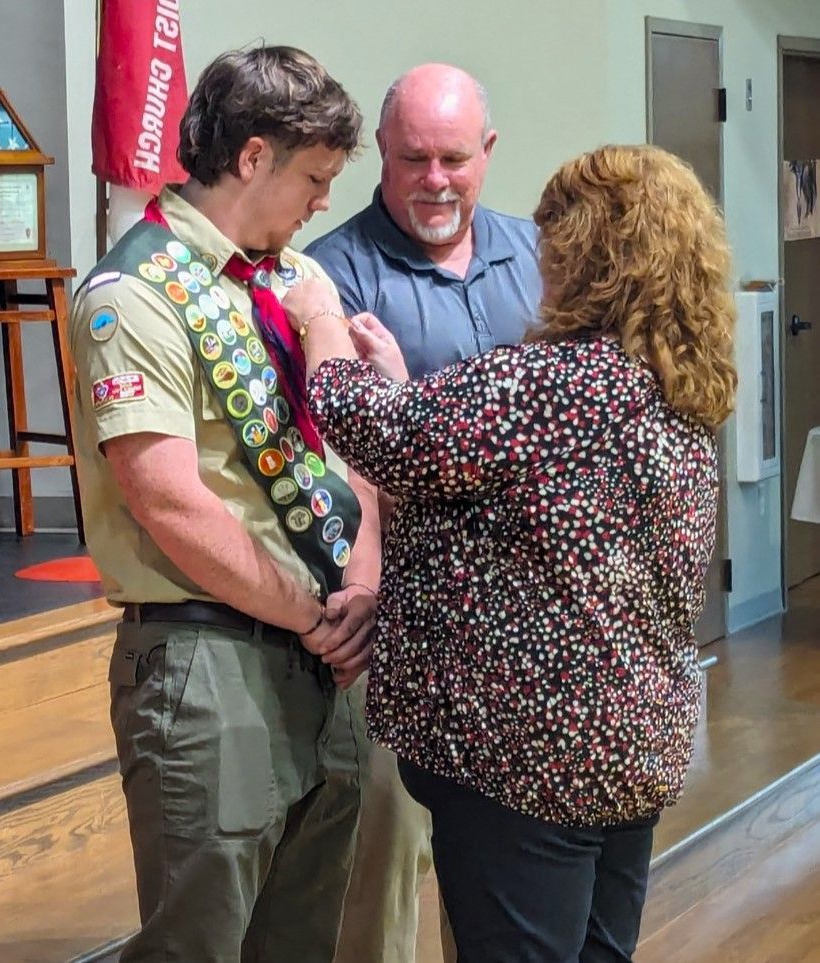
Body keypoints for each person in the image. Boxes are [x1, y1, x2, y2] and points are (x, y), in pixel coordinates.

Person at [284, 144, 737, 962]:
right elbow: (532, 517)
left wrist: (320, 318)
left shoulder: (548, 385)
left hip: (525, 760)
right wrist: (405, 391)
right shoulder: (674, 385)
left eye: (551, 241)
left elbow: (370, 430)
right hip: (629, 741)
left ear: (583, 254)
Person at [68, 46, 381, 962]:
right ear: (251, 158)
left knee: (303, 935)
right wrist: (314, 615)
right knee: (198, 940)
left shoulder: (292, 282)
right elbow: (169, 502)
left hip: (322, 650)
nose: (323, 201)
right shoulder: (134, 293)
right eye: (314, 178)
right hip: (208, 654)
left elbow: (353, 450)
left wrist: (358, 587)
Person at [305, 63, 540, 963]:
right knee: (387, 848)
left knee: (503, 865)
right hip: (403, 616)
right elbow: (349, 468)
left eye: (453, 158)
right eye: (413, 159)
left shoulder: (539, 256)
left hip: (522, 623)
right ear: (381, 152)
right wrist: (362, 585)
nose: (435, 180)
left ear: (488, 151)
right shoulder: (333, 274)